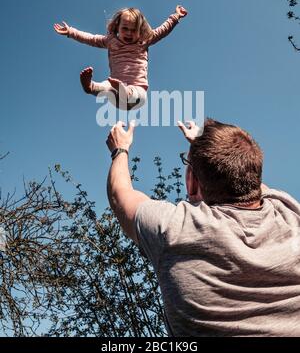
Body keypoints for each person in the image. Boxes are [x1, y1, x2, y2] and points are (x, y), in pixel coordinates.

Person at [106, 118, 300, 337]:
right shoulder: (291, 214)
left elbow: (120, 195)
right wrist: (203, 154)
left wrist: (119, 149)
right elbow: (249, 181)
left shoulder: (174, 229)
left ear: (192, 183)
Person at [54, 5, 188, 110]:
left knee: (138, 95)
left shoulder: (144, 41)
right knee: (106, 87)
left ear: (140, 30)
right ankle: (90, 87)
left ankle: (126, 92)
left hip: (137, 92)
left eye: (134, 30)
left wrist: (176, 16)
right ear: (117, 27)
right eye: (125, 28)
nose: (129, 33)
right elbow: (90, 38)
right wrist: (71, 32)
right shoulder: (111, 41)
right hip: (116, 93)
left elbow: (163, 29)